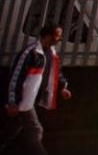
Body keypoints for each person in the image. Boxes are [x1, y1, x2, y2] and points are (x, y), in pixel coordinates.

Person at [3, 22, 72, 155]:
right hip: (24, 100)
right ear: (47, 36)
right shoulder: (30, 53)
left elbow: (56, 72)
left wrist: (63, 87)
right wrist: (12, 102)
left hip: (33, 99)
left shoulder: (51, 53)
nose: (60, 39)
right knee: (35, 130)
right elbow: (15, 78)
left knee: (13, 129)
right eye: (57, 36)